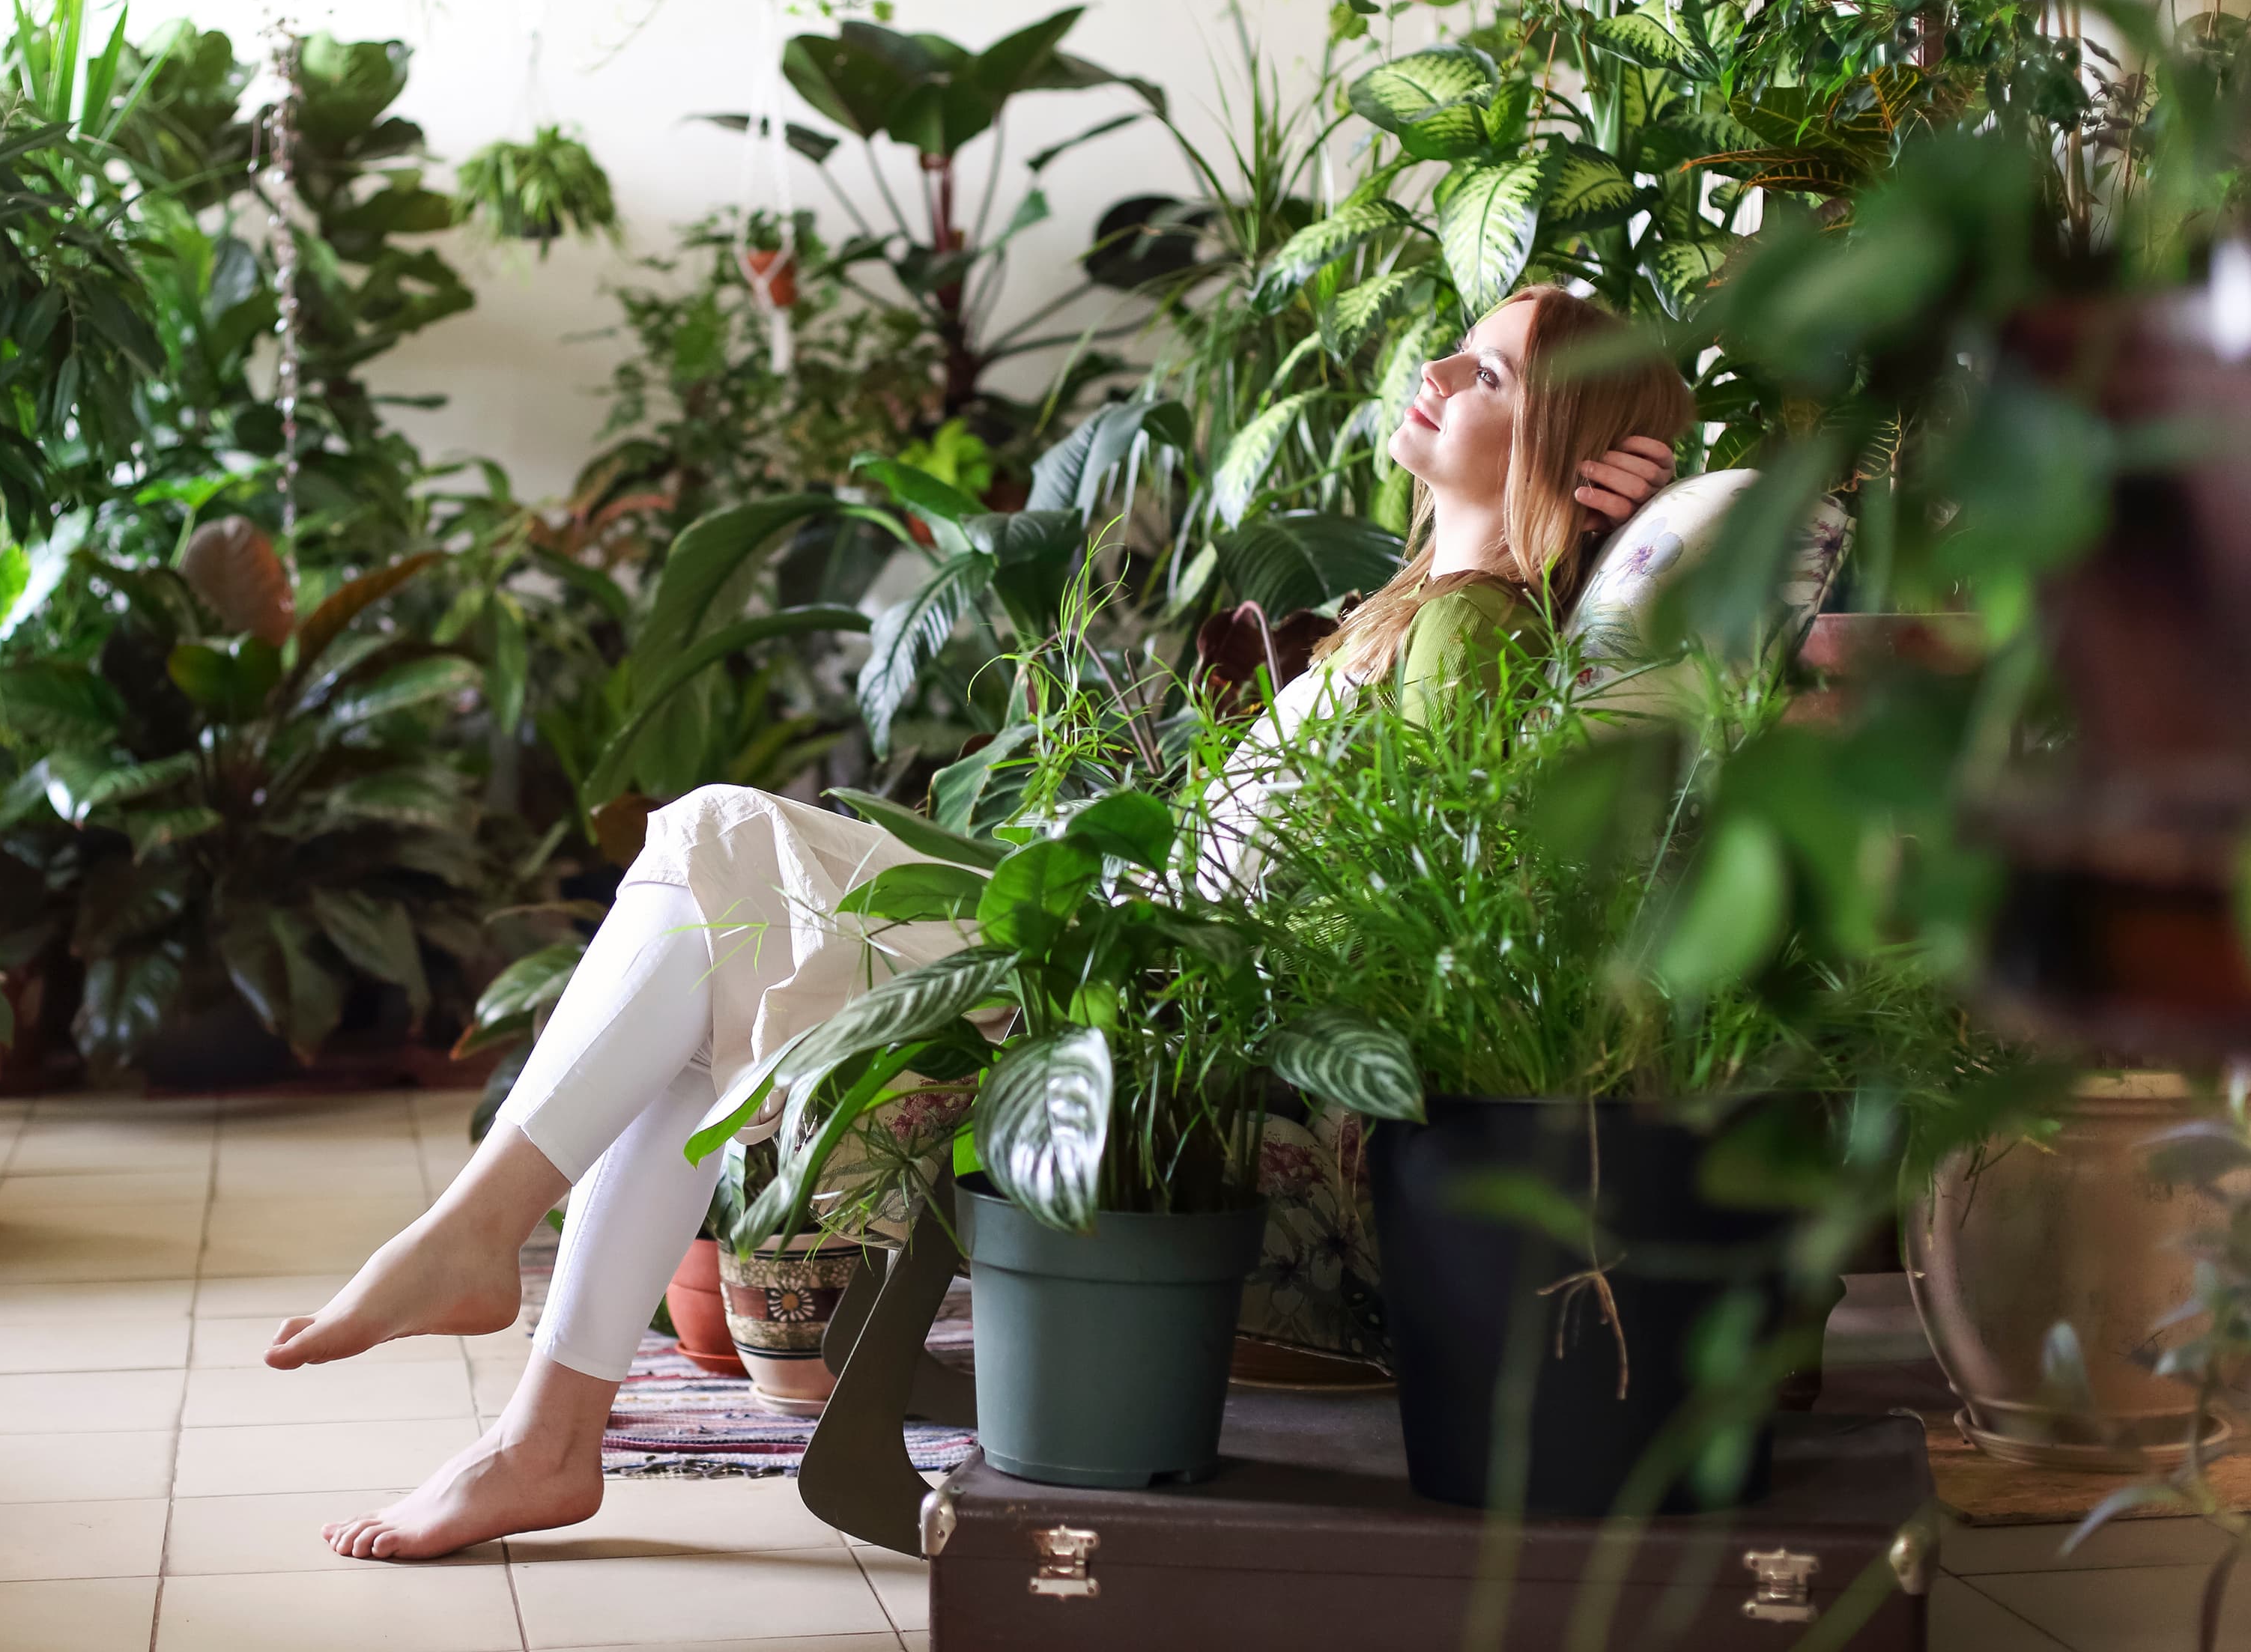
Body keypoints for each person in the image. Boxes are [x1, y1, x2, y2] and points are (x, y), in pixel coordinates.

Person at [268, 285, 1696, 1561]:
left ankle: (496, 1308)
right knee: (710, 937)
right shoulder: (1417, 609)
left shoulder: (1478, 633)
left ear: (1565, 448)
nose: (1442, 369)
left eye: (1497, 376)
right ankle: (538, 1425)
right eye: (1463, 345)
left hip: (1154, 1013)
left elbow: (1418, 898)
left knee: (713, 843)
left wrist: (1650, 532)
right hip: (1126, 958)